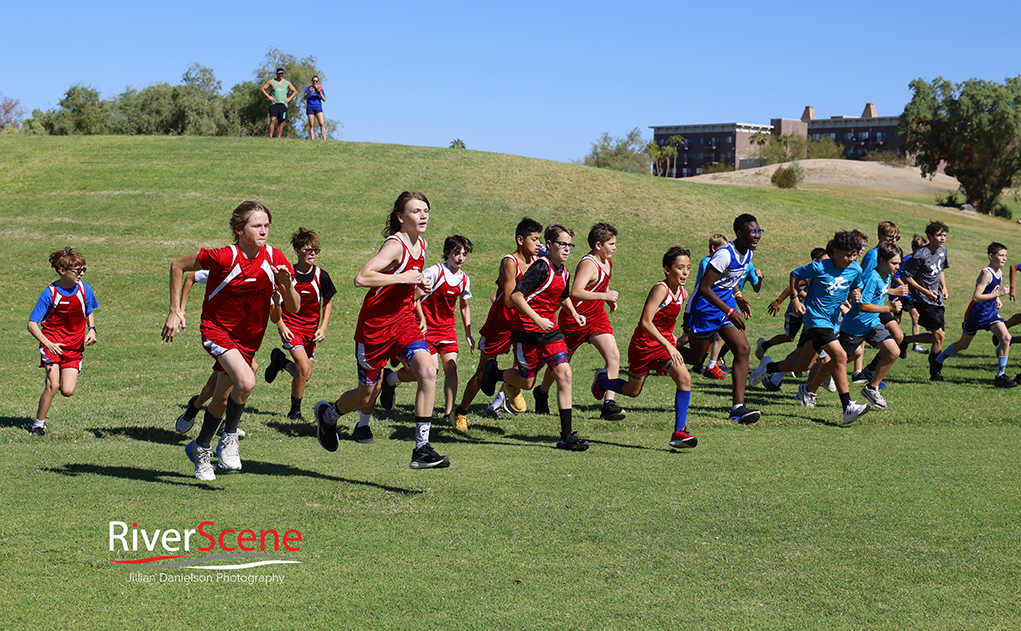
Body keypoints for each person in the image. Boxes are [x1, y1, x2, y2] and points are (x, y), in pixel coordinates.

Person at [162, 201, 299, 481]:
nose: (264, 231)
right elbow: (178, 265)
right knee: (247, 382)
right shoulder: (224, 256)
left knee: (222, 398)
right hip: (217, 331)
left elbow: (294, 308)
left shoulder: (275, 257)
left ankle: (200, 448)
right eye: (257, 225)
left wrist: (286, 284)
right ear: (239, 229)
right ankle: (230, 437)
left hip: (249, 340)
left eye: (267, 225)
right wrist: (175, 310)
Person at [314, 191, 450, 469]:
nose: (423, 215)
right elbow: (361, 278)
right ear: (401, 217)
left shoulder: (421, 244)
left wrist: (417, 288)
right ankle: (329, 415)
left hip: (403, 322)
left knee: (428, 370)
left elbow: (403, 285)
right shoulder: (396, 245)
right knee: (366, 396)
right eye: (416, 211)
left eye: (426, 210)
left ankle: (422, 448)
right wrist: (404, 278)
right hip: (374, 329)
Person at [480, 224, 590, 451]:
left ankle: (566, 436)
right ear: (549, 245)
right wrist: (537, 319)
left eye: (570, 245)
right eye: (562, 244)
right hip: (527, 333)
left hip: (551, 333)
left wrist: (575, 313)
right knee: (527, 382)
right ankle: (494, 373)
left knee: (565, 374)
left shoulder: (565, 271)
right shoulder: (542, 267)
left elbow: (563, 297)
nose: (567, 249)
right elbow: (516, 296)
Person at [750, 231, 870, 425]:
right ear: (835, 252)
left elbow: (854, 288)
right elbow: (794, 275)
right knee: (839, 355)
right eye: (847, 255)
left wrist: (856, 295)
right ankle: (847, 406)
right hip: (815, 319)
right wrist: (795, 299)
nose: (851, 259)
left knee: (803, 364)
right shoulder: (819, 267)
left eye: (854, 255)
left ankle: (768, 367)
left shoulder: (855, 270)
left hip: (832, 322)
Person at [591, 246, 698, 448]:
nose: (685, 272)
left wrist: (673, 340)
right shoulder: (661, 289)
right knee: (632, 391)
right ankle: (602, 382)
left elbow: (666, 322)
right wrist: (669, 344)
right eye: (680, 267)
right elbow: (646, 322)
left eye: (688, 268)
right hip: (643, 345)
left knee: (685, 378)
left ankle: (679, 432)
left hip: (663, 345)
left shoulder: (682, 293)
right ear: (667, 269)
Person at [453, 218, 543, 430]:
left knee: (533, 362)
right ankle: (461, 412)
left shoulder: (539, 262)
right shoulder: (509, 262)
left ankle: (512, 385)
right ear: (521, 240)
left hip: (524, 322)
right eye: (535, 239)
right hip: (501, 322)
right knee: (483, 371)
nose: (539, 243)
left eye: (540, 239)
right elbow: (509, 299)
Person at [535, 223, 626, 421]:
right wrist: (604, 296)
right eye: (611, 243)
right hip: (575, 319)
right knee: (559, 361)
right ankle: (541, 392)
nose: (615, 247)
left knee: (613, 354)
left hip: (596, 318)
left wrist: (608, 300)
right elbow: (575, 291)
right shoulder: (588, 263)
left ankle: (609, 404)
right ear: (598, 245)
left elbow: (603, 284)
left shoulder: (606, 261)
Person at [379, 235, 474, 425]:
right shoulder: (434, 272)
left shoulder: (464, 279)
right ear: (447, 253)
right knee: (429, 371)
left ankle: (448, 414)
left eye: (464, 254)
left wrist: (468, 333)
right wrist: (421, 318)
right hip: (426, 330)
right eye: (456, 253)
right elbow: (414, 296)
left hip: (447, 330)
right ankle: (390, 379)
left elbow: (464, 306)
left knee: (452, 369)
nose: (460, 258)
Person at [798, 241, 904, 411]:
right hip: (854, 327)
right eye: (894, 263)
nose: (898, 267)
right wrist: (889, 308)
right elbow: (863, 306)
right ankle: (809, 389)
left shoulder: (887, 276)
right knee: (837, 362)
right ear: (882, 261)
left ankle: (871, 388)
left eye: (899, 263)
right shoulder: (873, 277)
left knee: (893, 351)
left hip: (872, 324)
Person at [682, 214, 762, 424]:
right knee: (695, 358)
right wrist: (729, 311)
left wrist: (739, 298)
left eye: (758, 231)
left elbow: (731, 279)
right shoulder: (724, 255)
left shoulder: (748, 255)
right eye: (752, 232)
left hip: (726, 305)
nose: (757, 236)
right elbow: (705, 288)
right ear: (739, 233)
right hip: (705, 308)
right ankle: (656, 353)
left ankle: (737, 408)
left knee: (743, 349)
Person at [173, 270, 261, 439]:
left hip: (242, 336)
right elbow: (191, 276)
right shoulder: (226, 270)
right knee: (243, 373)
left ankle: (197, 407)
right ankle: (220, 426)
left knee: (225, 381)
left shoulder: (259, 274)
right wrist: (180, 310)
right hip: (221, 333)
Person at [264, 228, 337, 421]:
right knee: (303, 368)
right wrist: (281, 326)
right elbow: (275, 303)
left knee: (305, 374)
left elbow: (328, 302)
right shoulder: (287, 276)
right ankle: (295, 412)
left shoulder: (322, 276)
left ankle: (280, 361)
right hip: (291, 327)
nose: (313, 253)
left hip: (311, 330)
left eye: (315, 250)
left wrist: (323, 328)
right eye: (308, 249)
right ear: (296, 251)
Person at [27, 248, 98, 436]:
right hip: (52, 345)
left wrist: (92, 329)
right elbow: (32, 324)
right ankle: (38, 425)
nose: (81, 274)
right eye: (77, 271)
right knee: (54, 385)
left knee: (67, 390)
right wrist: (48, 343)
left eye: (83, 269)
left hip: (74, 347)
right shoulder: (50, 293)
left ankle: (55, 376)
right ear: (61, 270)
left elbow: (89, 309)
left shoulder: (85, 289)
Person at [932, 242, 1015, 387]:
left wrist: (997, 299)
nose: (1004, 259)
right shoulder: (986, 273)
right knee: (963, 345)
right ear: (991, 256)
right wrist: (999, 293)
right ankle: (938, 360)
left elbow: (991, 291)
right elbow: (976, 297)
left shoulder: (999, 273)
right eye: (1001, 255)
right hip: (976, 315)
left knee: (1006, 337)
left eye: (1006, 256)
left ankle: (1000, 375)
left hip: (991, 314)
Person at [853, 222, 909, 383]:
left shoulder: (892, 256)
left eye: (896, 237)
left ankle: (870, 370)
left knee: (898, 336)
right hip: (870, 306)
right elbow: (867, 284)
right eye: (889, 236)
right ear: (879, 236)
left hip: (879, 306)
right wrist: (894, 292)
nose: (893, 240)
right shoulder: (873, 256)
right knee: (849, 351)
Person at [900, 221, 951, 381]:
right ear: (930, 236)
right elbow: (906, 276)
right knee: (938, 335)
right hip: (922, 300)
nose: (942, 238)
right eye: (939, 235)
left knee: (938, 337)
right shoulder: (920, 255)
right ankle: (935, 372)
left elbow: (941, 269)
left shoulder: (943, 250)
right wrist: (925, 292)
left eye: (944, 235)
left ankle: (905, 340)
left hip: (937, 300)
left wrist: (945, 287)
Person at [260, 67, 297, 138]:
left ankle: (278, 137)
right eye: (279, 73)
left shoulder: (287, 83)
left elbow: (295, 91)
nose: (281, 75)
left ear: (284, 74)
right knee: (273, 119)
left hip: (283, 104)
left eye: (282, 73)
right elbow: (262, 89)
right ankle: (270, 137)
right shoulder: (271, 81)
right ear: (276, 73)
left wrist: (289, 98)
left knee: (281, 121)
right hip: (274, 104)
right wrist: (269, 97)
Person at [304, 75, 327, 140]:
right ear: (312, 81)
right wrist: (309, 92)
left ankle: (324, 139)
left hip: (318, 108)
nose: (315, 82)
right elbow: (305, 97)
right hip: (310, 107)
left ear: (318, 82)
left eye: (316, 81)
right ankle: (312, 139)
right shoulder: (308, 89)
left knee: (321, 124)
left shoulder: (321, 89)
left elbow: (324, 99)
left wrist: (320, 93)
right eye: (314, 81)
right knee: (311, 124)